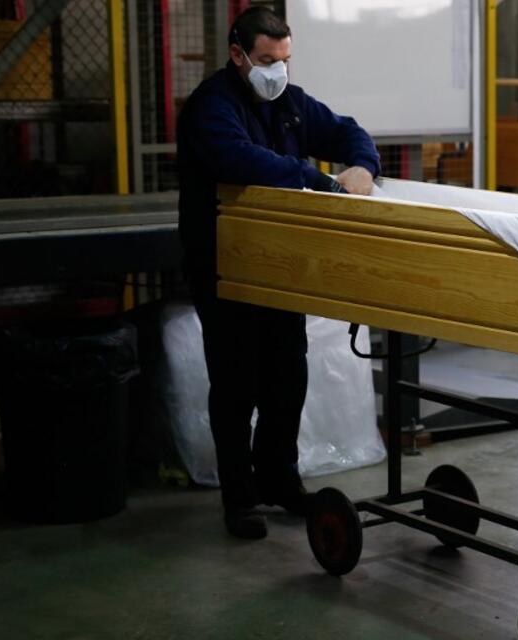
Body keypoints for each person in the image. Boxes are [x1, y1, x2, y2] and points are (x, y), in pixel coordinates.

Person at [177, 6, 381, 539]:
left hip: (279, 266)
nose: (278, 71)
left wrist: (362, 166)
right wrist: (314, 179)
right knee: (236, 381)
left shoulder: (290, 102)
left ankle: (279, 482)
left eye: (285, 59)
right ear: (238, 55)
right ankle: (239, 499)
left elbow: (347, 132)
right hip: (224, 266)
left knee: (287, 375)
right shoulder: (211, 107)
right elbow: (240, 161)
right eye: (267, 60)